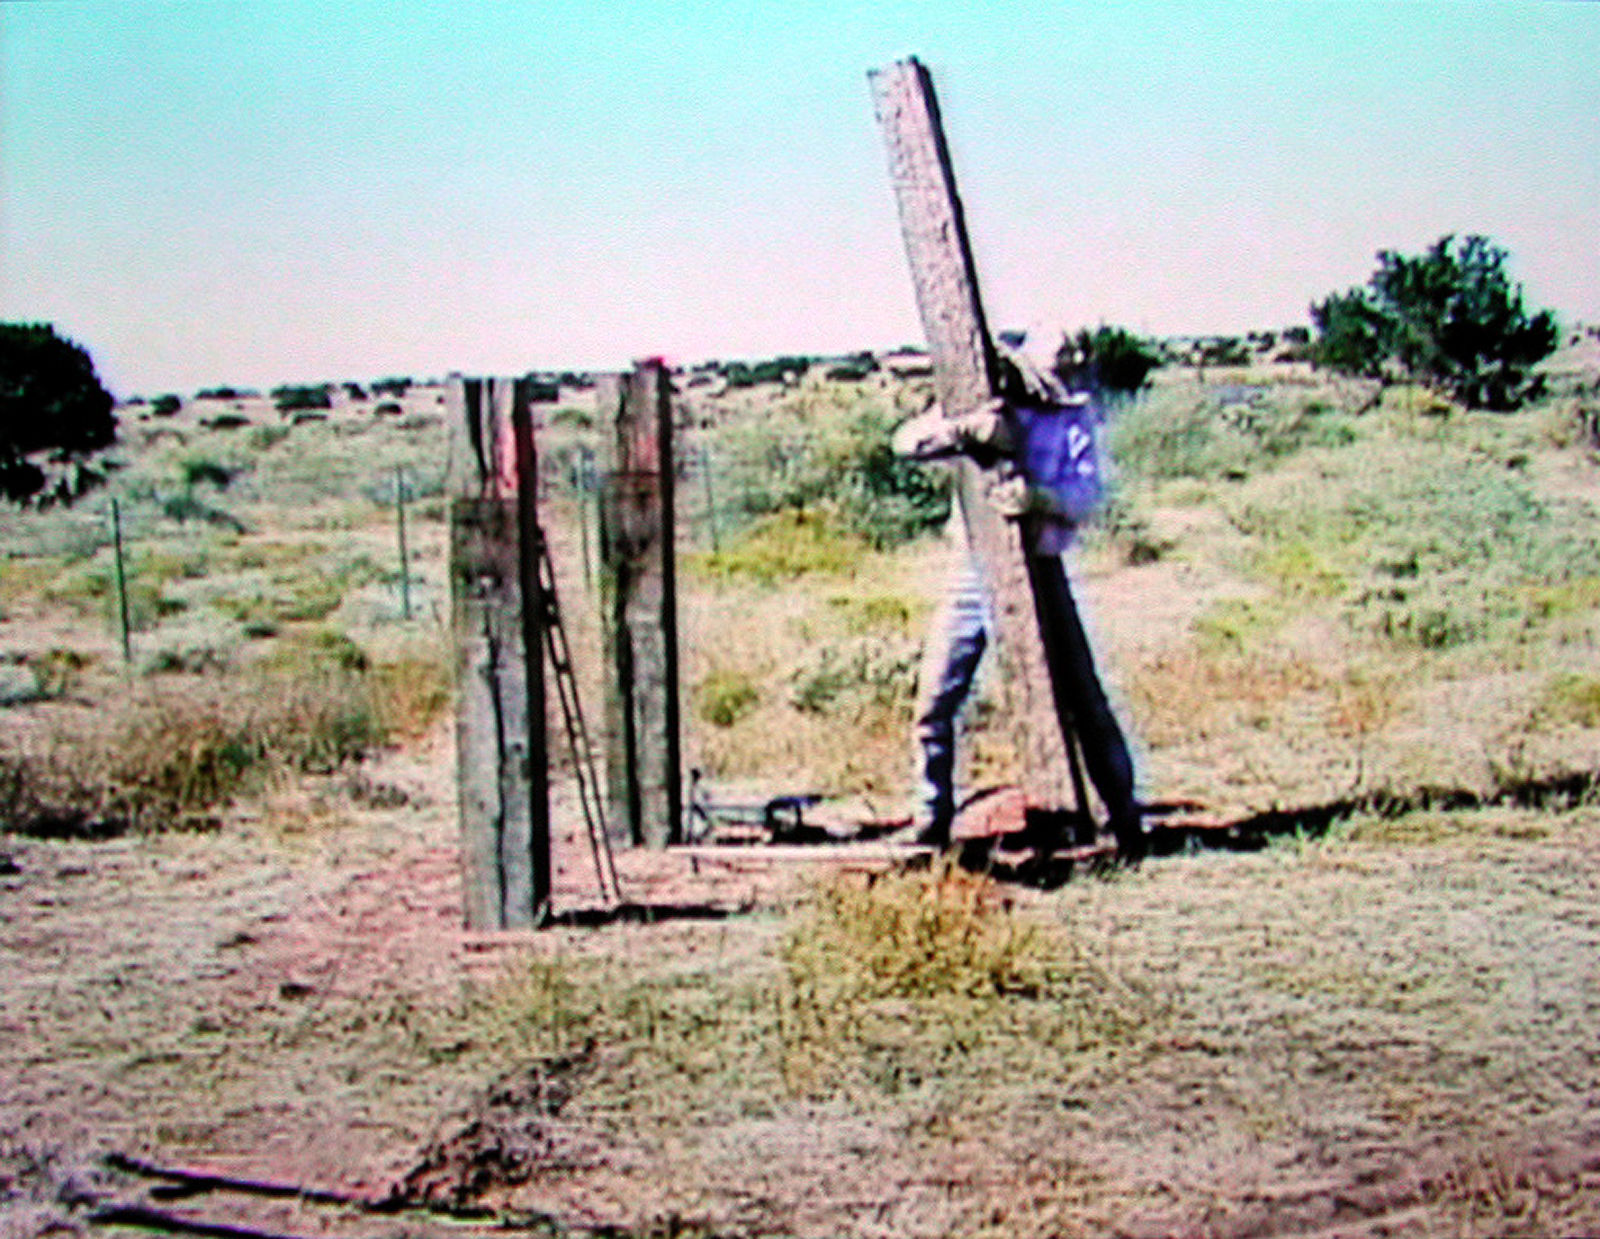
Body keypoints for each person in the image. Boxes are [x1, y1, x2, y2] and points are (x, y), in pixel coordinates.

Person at [893, 334, 1145, 860]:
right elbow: (906, 442)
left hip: (1041, 570)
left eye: (1080, 353)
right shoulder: (981, 399)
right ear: (1032, 359)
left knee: (1085, 703)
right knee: (934, 702)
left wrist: (1037, 498)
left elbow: (1085, 498)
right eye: (1065, 352)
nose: (1076, 361)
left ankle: (1126, 823)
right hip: (973, 571)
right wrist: (964, 429)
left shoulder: (1072, 417)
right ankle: (929, 822)